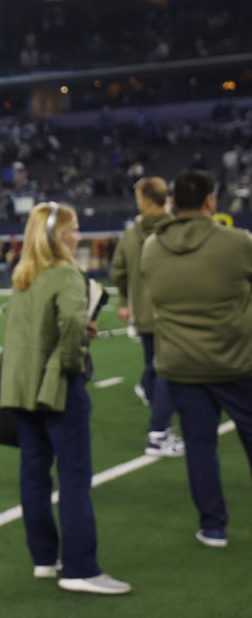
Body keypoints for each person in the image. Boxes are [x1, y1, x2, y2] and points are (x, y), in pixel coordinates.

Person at [0, 202, 131, 594]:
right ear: (58, 237)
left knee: (34, 474)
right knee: (74, 477)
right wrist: (74, 363)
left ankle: (44, 558)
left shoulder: (23, 274)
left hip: (19, 388)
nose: (78, 237)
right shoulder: (65, 273)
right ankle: (80, 568)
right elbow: (72, 324)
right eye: (73, 230)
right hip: (57, 387)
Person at [141, 171, 252, 549]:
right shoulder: (238, 243)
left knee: (200, 446)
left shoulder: (152, 247)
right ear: (210, 201)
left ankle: (213, 526)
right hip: (236, 361)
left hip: (182, 364)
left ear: (173, 203)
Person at [109, 176, 184, 457]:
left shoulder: (130, 234)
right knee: (167, 370)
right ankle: (159, 431)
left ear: (144, 200)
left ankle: (159, 415)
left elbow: (117, 271)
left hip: (141, 312)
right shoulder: (176, 229)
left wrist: (125, 301)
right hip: (171, 311)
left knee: (153, 368)